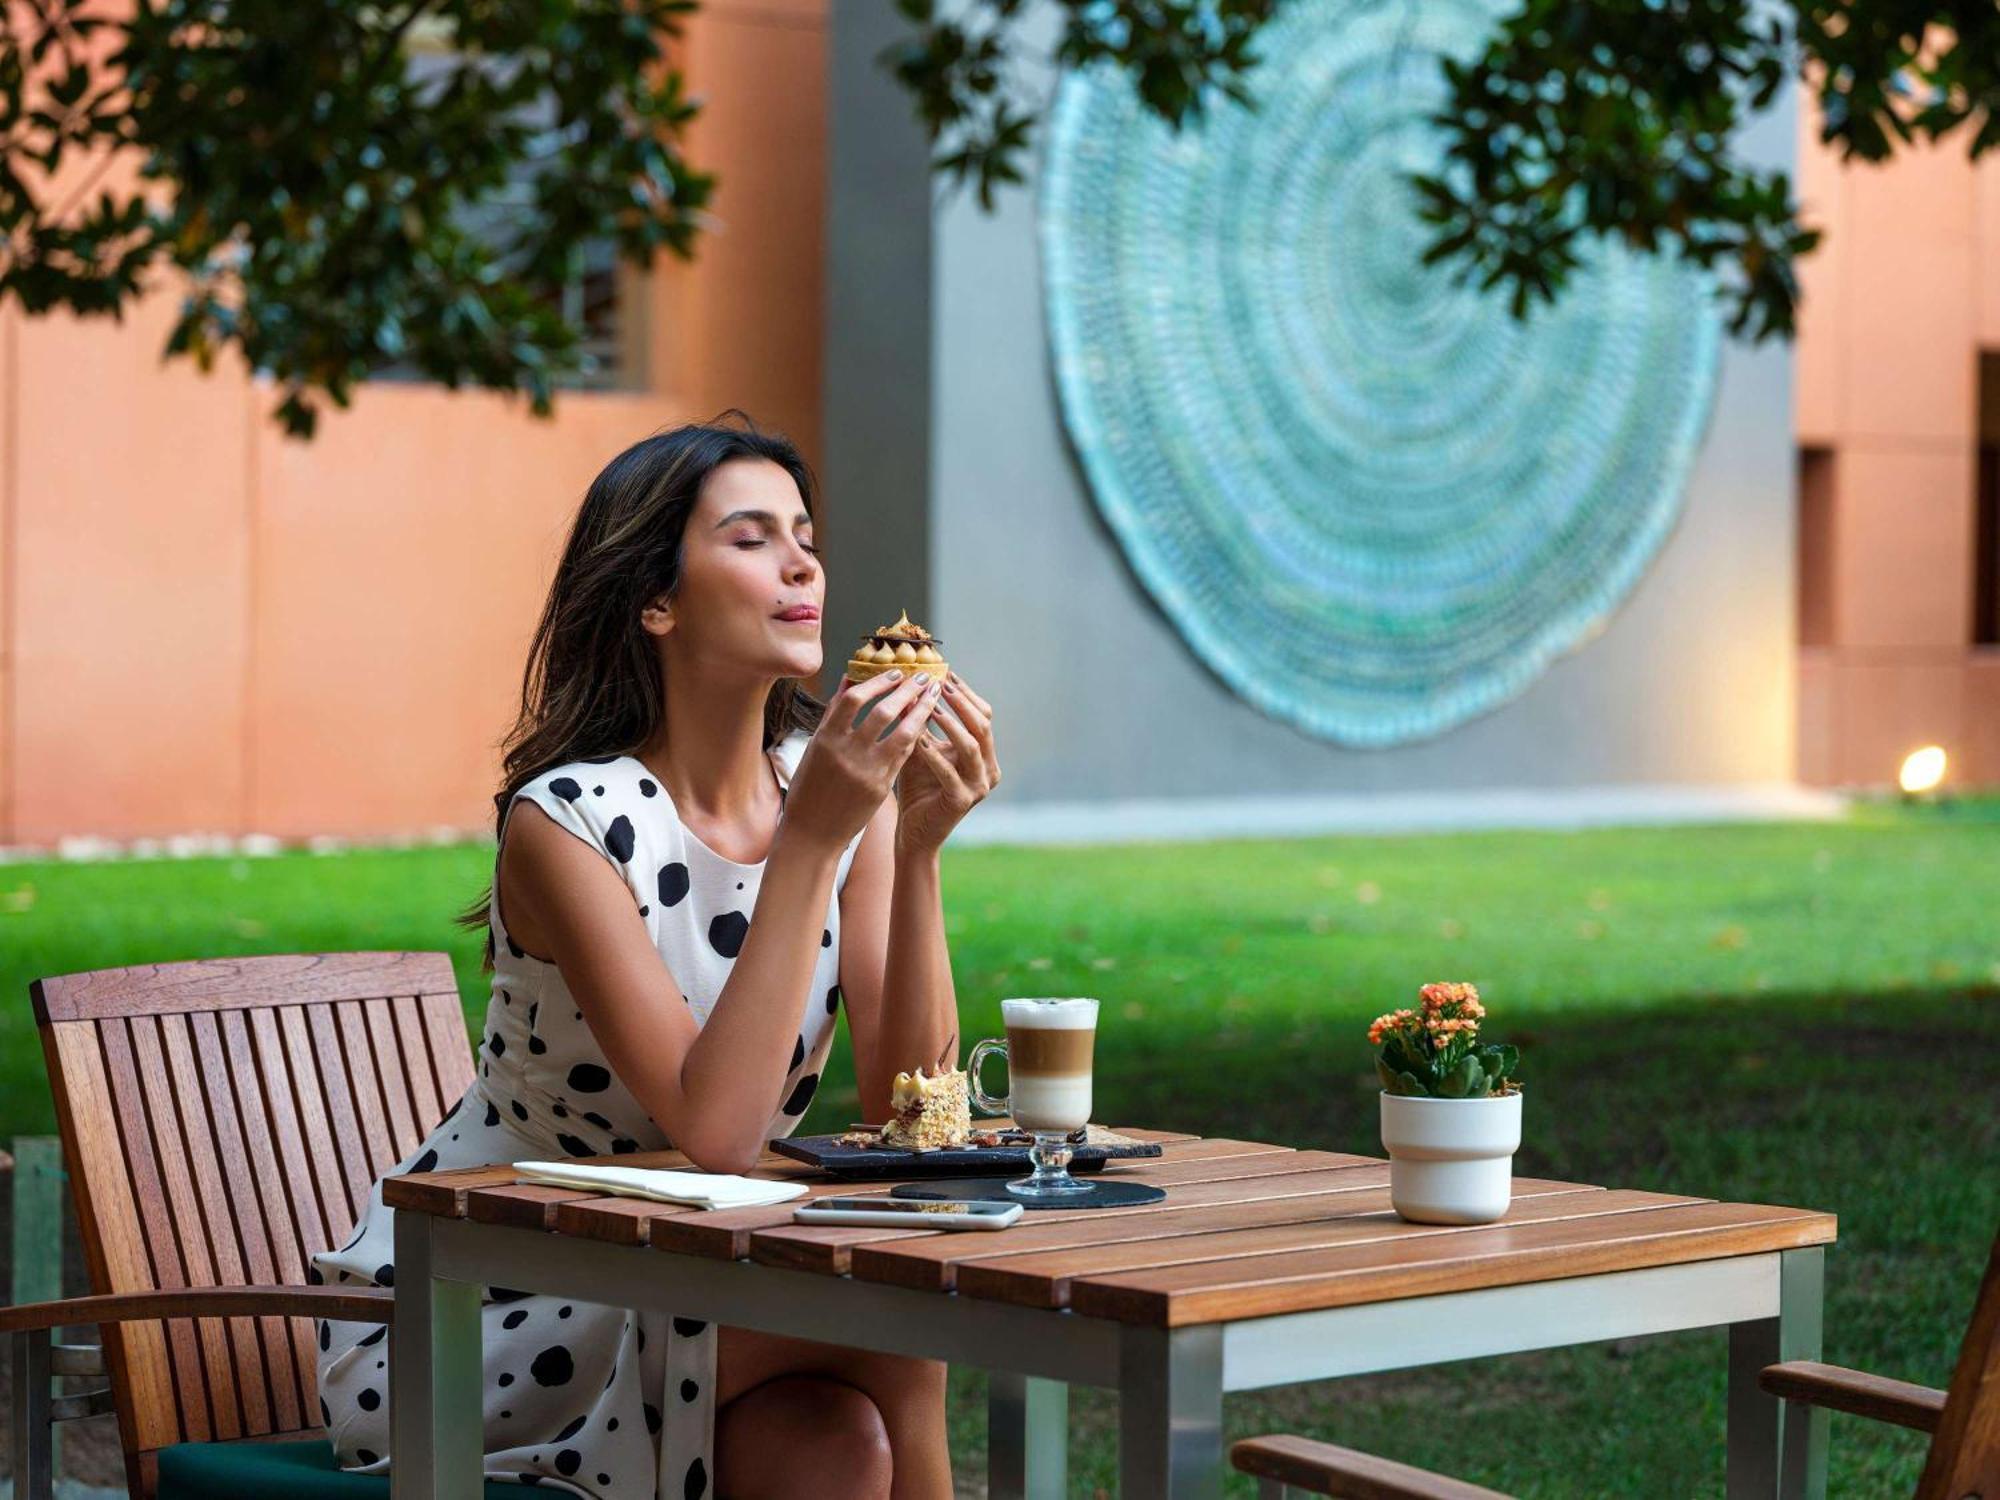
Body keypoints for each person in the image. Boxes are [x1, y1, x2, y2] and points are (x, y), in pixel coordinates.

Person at [312, 414, 1000, 1500]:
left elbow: (907, 1112)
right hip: (482, 1306)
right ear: (655, 600)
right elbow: (717, 1136)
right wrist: (814, 842)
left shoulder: (826, 794)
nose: (801, 561)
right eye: (749, 536)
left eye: (804, 535)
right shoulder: (570, 825)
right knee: (894, 1326)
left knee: (833, 1446)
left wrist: (911, 848)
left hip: (686, 1277)